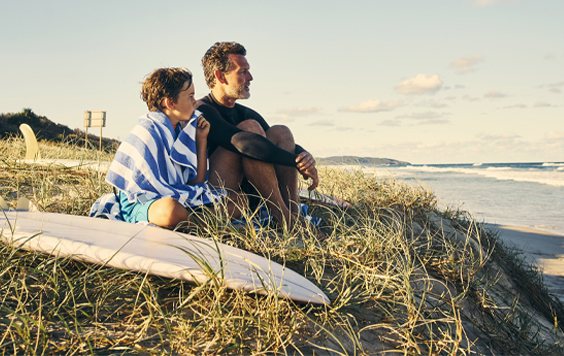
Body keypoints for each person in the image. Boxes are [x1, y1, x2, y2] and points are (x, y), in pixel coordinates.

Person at [197, 42, 323, 237]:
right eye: (243, 72)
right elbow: (244, 142)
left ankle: (294, 214)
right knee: (250, 131)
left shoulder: (245, 113)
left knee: (281, 132)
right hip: (219, 195)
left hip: (249, 192)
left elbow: (279, 145)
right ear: (220, 76)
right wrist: (294, 162)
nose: (250, 78)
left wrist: (304, 157)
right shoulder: (202, 110)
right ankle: (284, 218)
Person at [103, 67, 223, 229]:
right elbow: (142, 194)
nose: (195, 102)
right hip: (142, 204)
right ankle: (206, 224)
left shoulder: (183, 131)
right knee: (170, 211)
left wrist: (201, 139)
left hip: (178, 198)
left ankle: (194, 223)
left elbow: (197, 182)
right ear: (170, 103)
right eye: (190, 96)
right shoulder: (146, 133)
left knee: (238, 201)